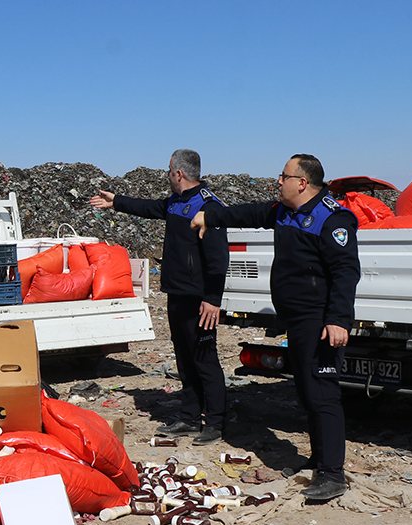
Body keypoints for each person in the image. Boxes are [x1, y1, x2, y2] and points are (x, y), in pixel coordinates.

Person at [192, 154, 360, 501]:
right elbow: (247, 213)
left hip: (319, 321)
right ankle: (318, 459)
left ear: (302, 182)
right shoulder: (284, 211)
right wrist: (210, 214)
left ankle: (333, 475)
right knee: (307, 393)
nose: (277, 182)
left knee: (322, 395)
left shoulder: (332, 218)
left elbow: (346, 272)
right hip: (296, 320)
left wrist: (338, 319)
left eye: (284, 176)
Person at [90, 149, 229, 445]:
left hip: (199, 299)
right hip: (177, 294)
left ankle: (215, 423)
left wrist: (213, 299)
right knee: (184, 359)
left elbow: (218, 260)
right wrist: (117, 202)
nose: (167, 175)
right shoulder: (177, 203)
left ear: (179, 173)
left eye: (168, 170)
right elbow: (150, 207)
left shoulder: (208, 208)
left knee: (204, 360)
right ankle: (190, 417)